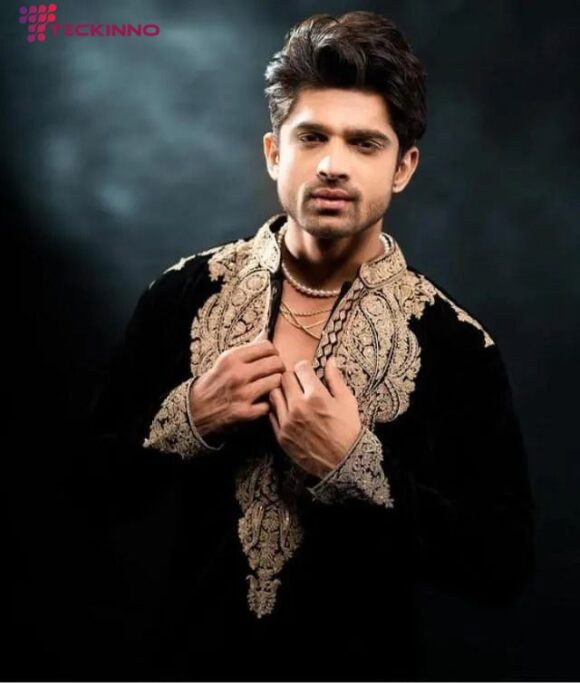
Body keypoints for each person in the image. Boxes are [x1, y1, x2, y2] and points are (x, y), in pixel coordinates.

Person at [85, 11, 535, 681]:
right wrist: (190, 417)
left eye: (364, 143)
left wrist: (356, 467)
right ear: (275, 152)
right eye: (312, 136)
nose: (331, 164)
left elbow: (502, 565)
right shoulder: (181, 297)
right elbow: (86, 493)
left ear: (403, 167)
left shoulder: (456, 346)